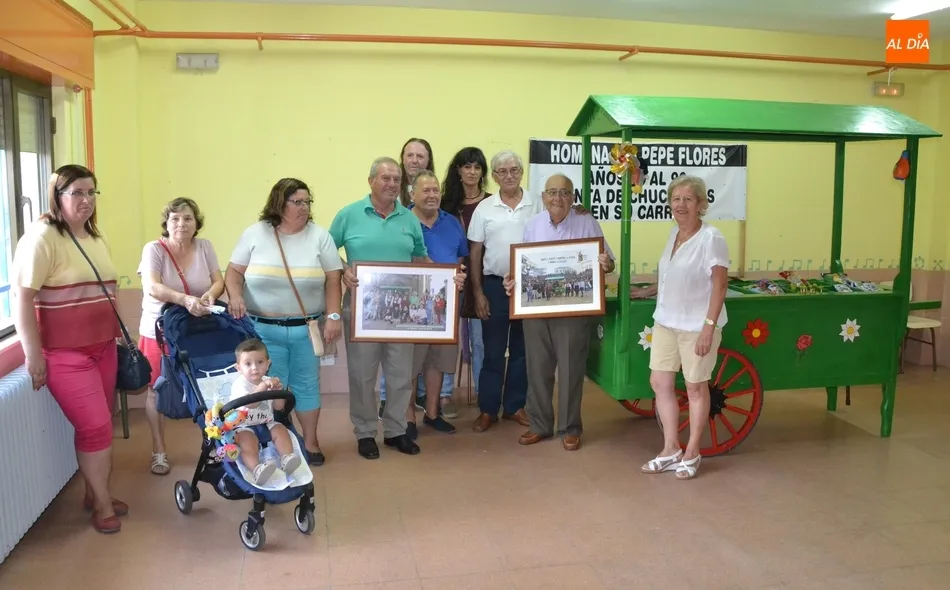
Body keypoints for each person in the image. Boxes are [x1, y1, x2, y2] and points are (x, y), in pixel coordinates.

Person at [12, 165, 127, 534]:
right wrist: (32, 355)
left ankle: (96, 493)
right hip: (65, 353)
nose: (86, 200)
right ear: (56, 196)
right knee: (94, 427)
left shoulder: (96, 236)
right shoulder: (42, 237)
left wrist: (120, 331)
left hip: (104, 346)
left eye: (92, 192)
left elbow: (110, 289)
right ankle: (102, 505)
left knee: (103, 422)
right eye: (77, 192)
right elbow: (22, 297)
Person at [329, 156, 465, 460]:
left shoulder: (408, 219)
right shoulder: (349, 215)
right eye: (385, 178)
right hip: (361, 311)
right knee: (362, 374)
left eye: (396, 180)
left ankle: (395, 431)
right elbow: (325, 251)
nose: (392, 184)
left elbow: (420, 258)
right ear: (371, 181)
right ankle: (365, 432)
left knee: (400, 373)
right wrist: (342, 269)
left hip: (403, 313)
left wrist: (447, 279)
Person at [225, 178, 343, 467]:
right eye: (297, 202)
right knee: (270, 387)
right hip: (263, 330)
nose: (304, 208)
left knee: (306, 385)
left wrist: (333, 315)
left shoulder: (319, 236)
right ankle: (277, 439)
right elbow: (233, 272)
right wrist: (236, 296)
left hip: (306, 328)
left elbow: (333, 278)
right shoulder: (256, 234)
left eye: (307, 202)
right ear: (280, 203)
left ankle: (311, 441)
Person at [502, 174, 615, 451]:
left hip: (574, 311)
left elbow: (609, 263)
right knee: (537, 368)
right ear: (543, 197)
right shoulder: (533, 225)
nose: (557, 198)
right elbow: (524, 266)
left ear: (573, 197)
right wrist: (512, 280)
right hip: (536, 310)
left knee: (570, 368)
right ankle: (539, 425)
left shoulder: (586, 222)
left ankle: (570, 427)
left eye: (564, 193)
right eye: (552, 192)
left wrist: (605, 263)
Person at [633, 174, 729, 480]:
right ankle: (670, 448)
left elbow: (720, 284)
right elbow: (672, 274)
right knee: (660, 383)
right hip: (666, 322)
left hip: (696, 326)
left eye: (688, 199)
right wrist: (649, 292)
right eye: (676, 199)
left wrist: (708, 328)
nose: (681, 205)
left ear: (701, 204)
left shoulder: (711, 237)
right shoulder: (674, 234)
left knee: (695, 387)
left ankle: (693, 452)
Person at [138, 197, 224, 476]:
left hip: (195, 329)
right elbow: (153, 287)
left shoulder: (205, 246)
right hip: (158, 331)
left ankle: (212, 445)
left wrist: (210, 295)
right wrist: (186, 300)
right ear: (166, 223)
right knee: (157, 389)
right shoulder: (154, 249)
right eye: (175, 218)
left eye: (187, 218)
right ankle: (159, 450)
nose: (181, 224)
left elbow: (218, 280)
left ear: (196, 222)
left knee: (207, 386)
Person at [466, 150, 541, 432]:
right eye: (502, 171)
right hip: (494, 286)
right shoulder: (485, 208)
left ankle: (514, 406)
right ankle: (488, 410)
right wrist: (478, 294)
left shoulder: (538, 203)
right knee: (493, 351)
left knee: (523, 351)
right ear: (494, 176)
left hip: (530, 287)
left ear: (521, 173)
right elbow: (475, 252)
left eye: (514, 170)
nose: (509, 175)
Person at [408, 170, 468, 435]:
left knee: (438, 361)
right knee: (409, 365)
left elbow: (461, 259)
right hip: (411, 308)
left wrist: (460, 276)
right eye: (426, 190)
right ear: (412, 194)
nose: (432, 195)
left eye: (436, 190)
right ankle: (407, 418)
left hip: (446, 306)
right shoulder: (402, 222)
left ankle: (432, 413)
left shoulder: (452, 222)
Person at [441, 146, 489, 412]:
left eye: (477, 167)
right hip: (451, 280)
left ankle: (485, 393)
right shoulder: (445, 204)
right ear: (458, 170)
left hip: (483, 280)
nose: (472, 172)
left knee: (481, 341)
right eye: (467, 166)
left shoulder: (493, 203)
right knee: (450, 339)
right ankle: (444, 394)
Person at [229, 338, 302, 485]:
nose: (254, 368)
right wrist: (263, 387)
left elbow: (278, 407)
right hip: (244, 425)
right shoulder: (239, 384)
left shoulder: (268, 380)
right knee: (246, 442)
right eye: (248, 364)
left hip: (266, 422)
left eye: (260, 362)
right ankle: (256, 469)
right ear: (238, 368)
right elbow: (251, 403)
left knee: (281, 429)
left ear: (268, 364)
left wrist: (278, 392)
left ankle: (286, 457)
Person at [398, 137, 435, 208]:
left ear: (429, 160)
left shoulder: (434, 194)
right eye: (410, 155)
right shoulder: (393, 191)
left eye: (420, 156)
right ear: (402, 158)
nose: (414, 160)